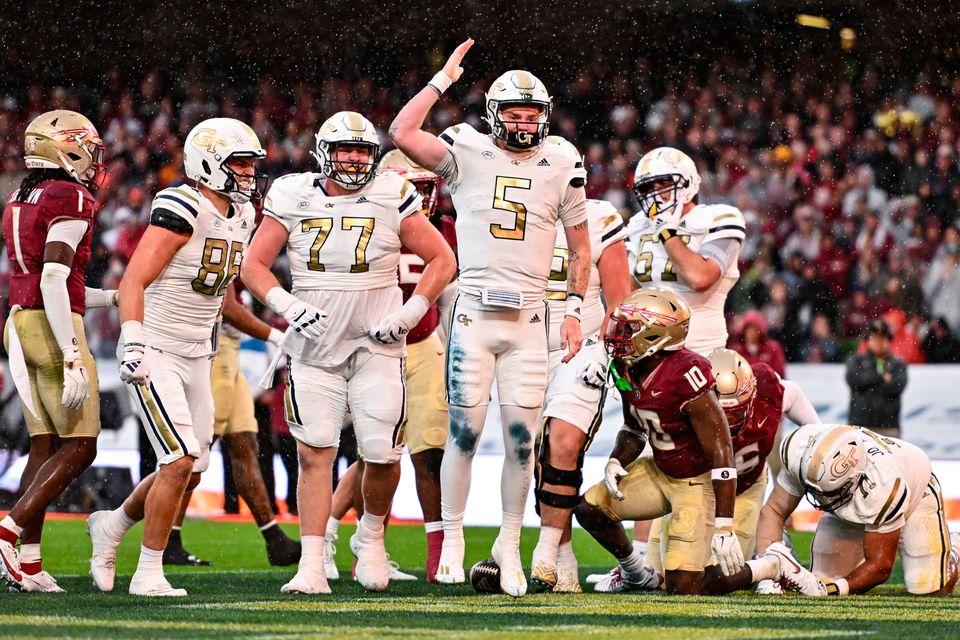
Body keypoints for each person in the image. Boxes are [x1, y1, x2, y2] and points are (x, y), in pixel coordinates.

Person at [389, 39, 592, 598]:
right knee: (465, 432)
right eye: (514, 113)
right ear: (493, 114)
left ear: (545, 115)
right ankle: (452, 535)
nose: (525, 123)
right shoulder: (465, 148)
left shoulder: (563, 159)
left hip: (531, 320)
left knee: (523, 442)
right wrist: (442, 81)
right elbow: (402, 135)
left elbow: (580, 247)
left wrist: (574, 308)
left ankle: (509, 545)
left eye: (533, 113)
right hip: (474, 315)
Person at [241, 111, 456, 594]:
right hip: (315, 350)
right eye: (345, 149)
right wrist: (286, 303)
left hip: (377, 347)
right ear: (324, 152)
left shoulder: (391, 192)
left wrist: (410, 311)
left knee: (381, 454)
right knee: (315, 453)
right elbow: (253, 265)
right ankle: (313, 562)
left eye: (362, 150)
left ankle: (371, 537)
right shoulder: (293, 194)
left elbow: (443, 259)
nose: (355, 159)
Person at [87, 117, 266, 596]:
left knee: (192, 464)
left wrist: (275, 332)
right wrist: (132, 340)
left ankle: (114, 523)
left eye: (251, 163)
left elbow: (222, 299)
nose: (248, 172)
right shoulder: (182, 204)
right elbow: (133, 281)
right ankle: (149, 571)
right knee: (180, 458)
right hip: (157, 347)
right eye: (239, 163)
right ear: (208, 163)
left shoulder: (242, 215)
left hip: (197, 353)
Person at [323, 150, 457, 583]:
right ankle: (333, 538)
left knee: (429, 453)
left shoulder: (444, 230)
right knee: (373, 456)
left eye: (423, 187)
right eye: (409, 187)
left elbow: (453, 298)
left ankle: (438, 555)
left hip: (422, 347)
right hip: (374, 350)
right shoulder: (365, 222)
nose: (417, 196)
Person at [593, 349, 821, 593]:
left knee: (719, 575)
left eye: (735, 410)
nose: (728, 419)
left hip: (743, 490)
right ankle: (635, 571)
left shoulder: (768, 390)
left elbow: (796, 400)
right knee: (665, 579)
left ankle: (772, 557)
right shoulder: (691, 399)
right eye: (721, 411)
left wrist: (819, 438)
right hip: (695, 490)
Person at [618, 145, 746, 565]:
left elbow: (700, 276)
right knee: (659, 448)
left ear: (688, 182)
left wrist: (668, 233)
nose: (655, 194)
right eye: (648, 187)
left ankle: (739, 542)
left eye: (663, 184)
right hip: (650, 356)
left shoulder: (718, 218)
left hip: (704, 351)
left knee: (719, 452)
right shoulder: (636, 226)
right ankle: (639, 558)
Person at [0, 110, 110, 592]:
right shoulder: (71, 194)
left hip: (18, 322)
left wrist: (112, 297)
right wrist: (70, 352)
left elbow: (44, 278)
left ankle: (29, 563)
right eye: (86, 146)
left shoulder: (23, 192)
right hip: (50, 326)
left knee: (43, 445)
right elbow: (53, 277)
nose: (93, 158)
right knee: (82, 445)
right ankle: (7, 530)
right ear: (65, 147)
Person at [573, 289, 746, 595]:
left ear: (655, 335)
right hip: (660, 471)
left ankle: (768, 567)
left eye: (630, 328)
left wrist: (724, 524)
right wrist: (617, 459)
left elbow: (722, 451)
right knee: (589, 509)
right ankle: (635, 572)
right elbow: (634, 428)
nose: (619, 334)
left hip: (695, 483)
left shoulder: (687, 372)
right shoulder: (627, 364)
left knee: (683, 588)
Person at [529, 195, 631, 593]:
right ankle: (563, 559)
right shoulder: (516, 205)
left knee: (565, 440)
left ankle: (545, 551)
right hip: (523, 345)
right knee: (535, 454)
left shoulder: (599, 215)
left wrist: (603, 351)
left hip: (583, 345)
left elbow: (619, 300)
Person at [163, 283, 301, 567]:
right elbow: (226, 307)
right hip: (214, 349)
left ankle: (274, 539)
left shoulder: (235, 242)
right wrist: (276, 335)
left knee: (245, 446)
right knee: (195, 453)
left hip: (230, 350)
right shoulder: (222, 239)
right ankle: (166, 538)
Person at [754, 424, 959, 596]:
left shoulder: (884, 484)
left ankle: (955, 549)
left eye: (832, 492)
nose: (824, 501)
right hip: (855, 502)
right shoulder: (798, 451)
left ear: (855, 478)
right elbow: (773, 511)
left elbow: (880, 566)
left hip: (916, 490)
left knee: (930, 588)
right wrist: (768, 563)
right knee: (822, 579)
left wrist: (831, 590)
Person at [845, 319, 908, 438]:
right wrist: (880, 378)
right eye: (874, 338)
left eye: (882, 338)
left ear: (889, 341)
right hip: (860, 427)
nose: (878, 342)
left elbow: (897, 386)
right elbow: (854, 380)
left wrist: (869, 382)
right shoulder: (856, 361)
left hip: (889, 428)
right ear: (868, 341)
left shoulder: (898, 364)